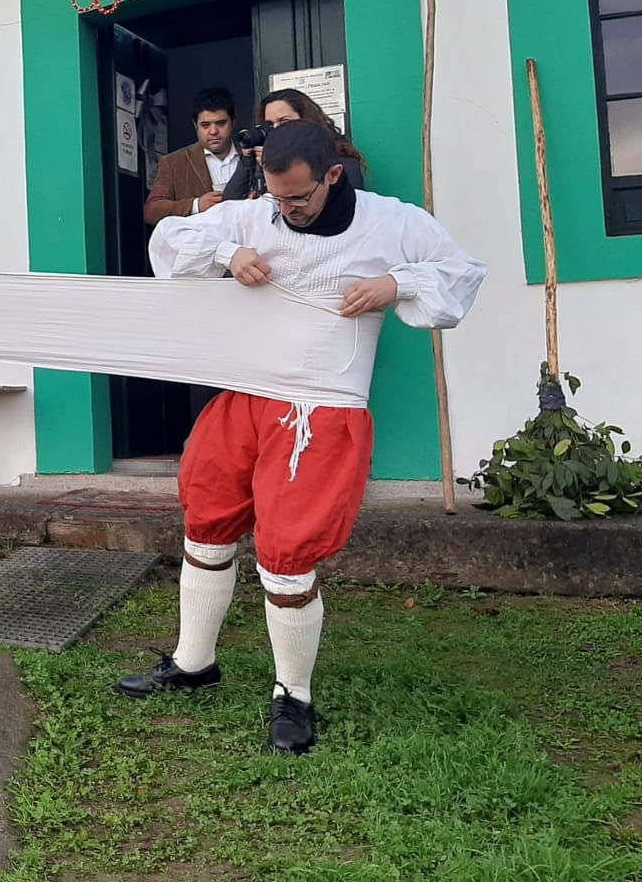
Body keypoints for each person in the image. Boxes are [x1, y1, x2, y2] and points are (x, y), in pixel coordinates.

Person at [119, 122, 485, 754]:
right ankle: (194, 661)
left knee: (287, 552)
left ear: (332, 177)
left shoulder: (390, 223)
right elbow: (172, 238)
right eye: (276, 196)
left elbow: (461, 273)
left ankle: (294, 694)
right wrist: (228, 255)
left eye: (298, 199)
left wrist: (396, 285)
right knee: (206, 518)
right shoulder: (256, 214)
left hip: (323, 407)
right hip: (245, 393)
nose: (285, 210)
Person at [225, 87, 366, 200]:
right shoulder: (263, 155)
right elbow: (229, 203)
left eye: (284, 121)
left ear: (306, 120)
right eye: (269, 124)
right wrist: (247, 160)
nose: (276, 129)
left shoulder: (341, 161)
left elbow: (347, 208)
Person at [143, 88, 242, 226]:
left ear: (233, 122)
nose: (213, 131)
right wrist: (196, 205)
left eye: (221, 123)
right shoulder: (174, 163)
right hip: (199, 245)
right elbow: (152, 210)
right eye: (205, 125)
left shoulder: (253, 157)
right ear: (195, 125)